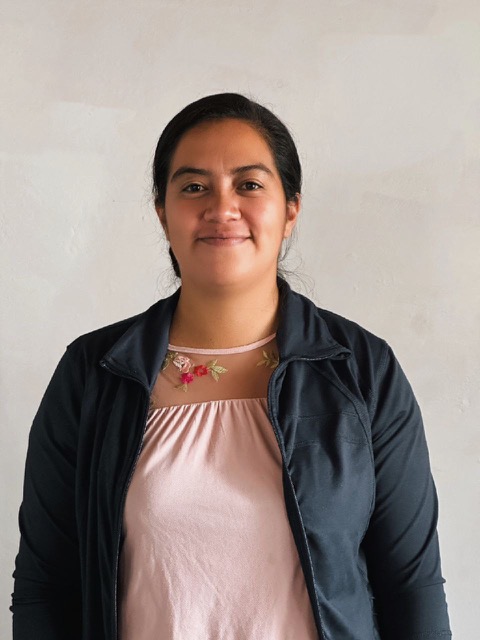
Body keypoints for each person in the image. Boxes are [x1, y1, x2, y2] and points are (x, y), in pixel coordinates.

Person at [11, 93, 452, 640]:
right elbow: (45, 586)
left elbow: (412, 586)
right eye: (194, 187)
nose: (222, 209)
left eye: (249, 184)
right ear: (162, 211)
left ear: (291, 209)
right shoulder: (94, 372)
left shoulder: (362, 370)